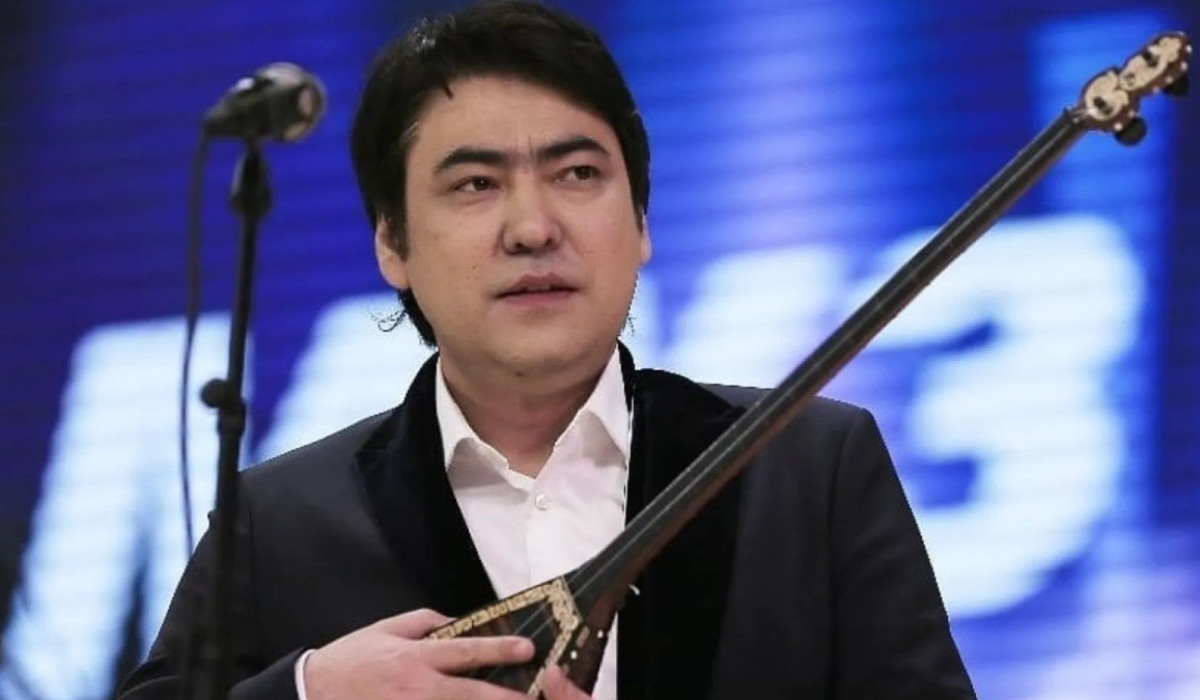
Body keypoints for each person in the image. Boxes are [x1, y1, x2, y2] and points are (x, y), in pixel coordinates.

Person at [120, 1, 976, 698]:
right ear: (392, 244)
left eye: (577, 175)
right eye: (475, 184)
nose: (532, 227)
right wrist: (311, 693)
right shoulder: (277, 521)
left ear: (641, 222)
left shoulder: (808, 464)